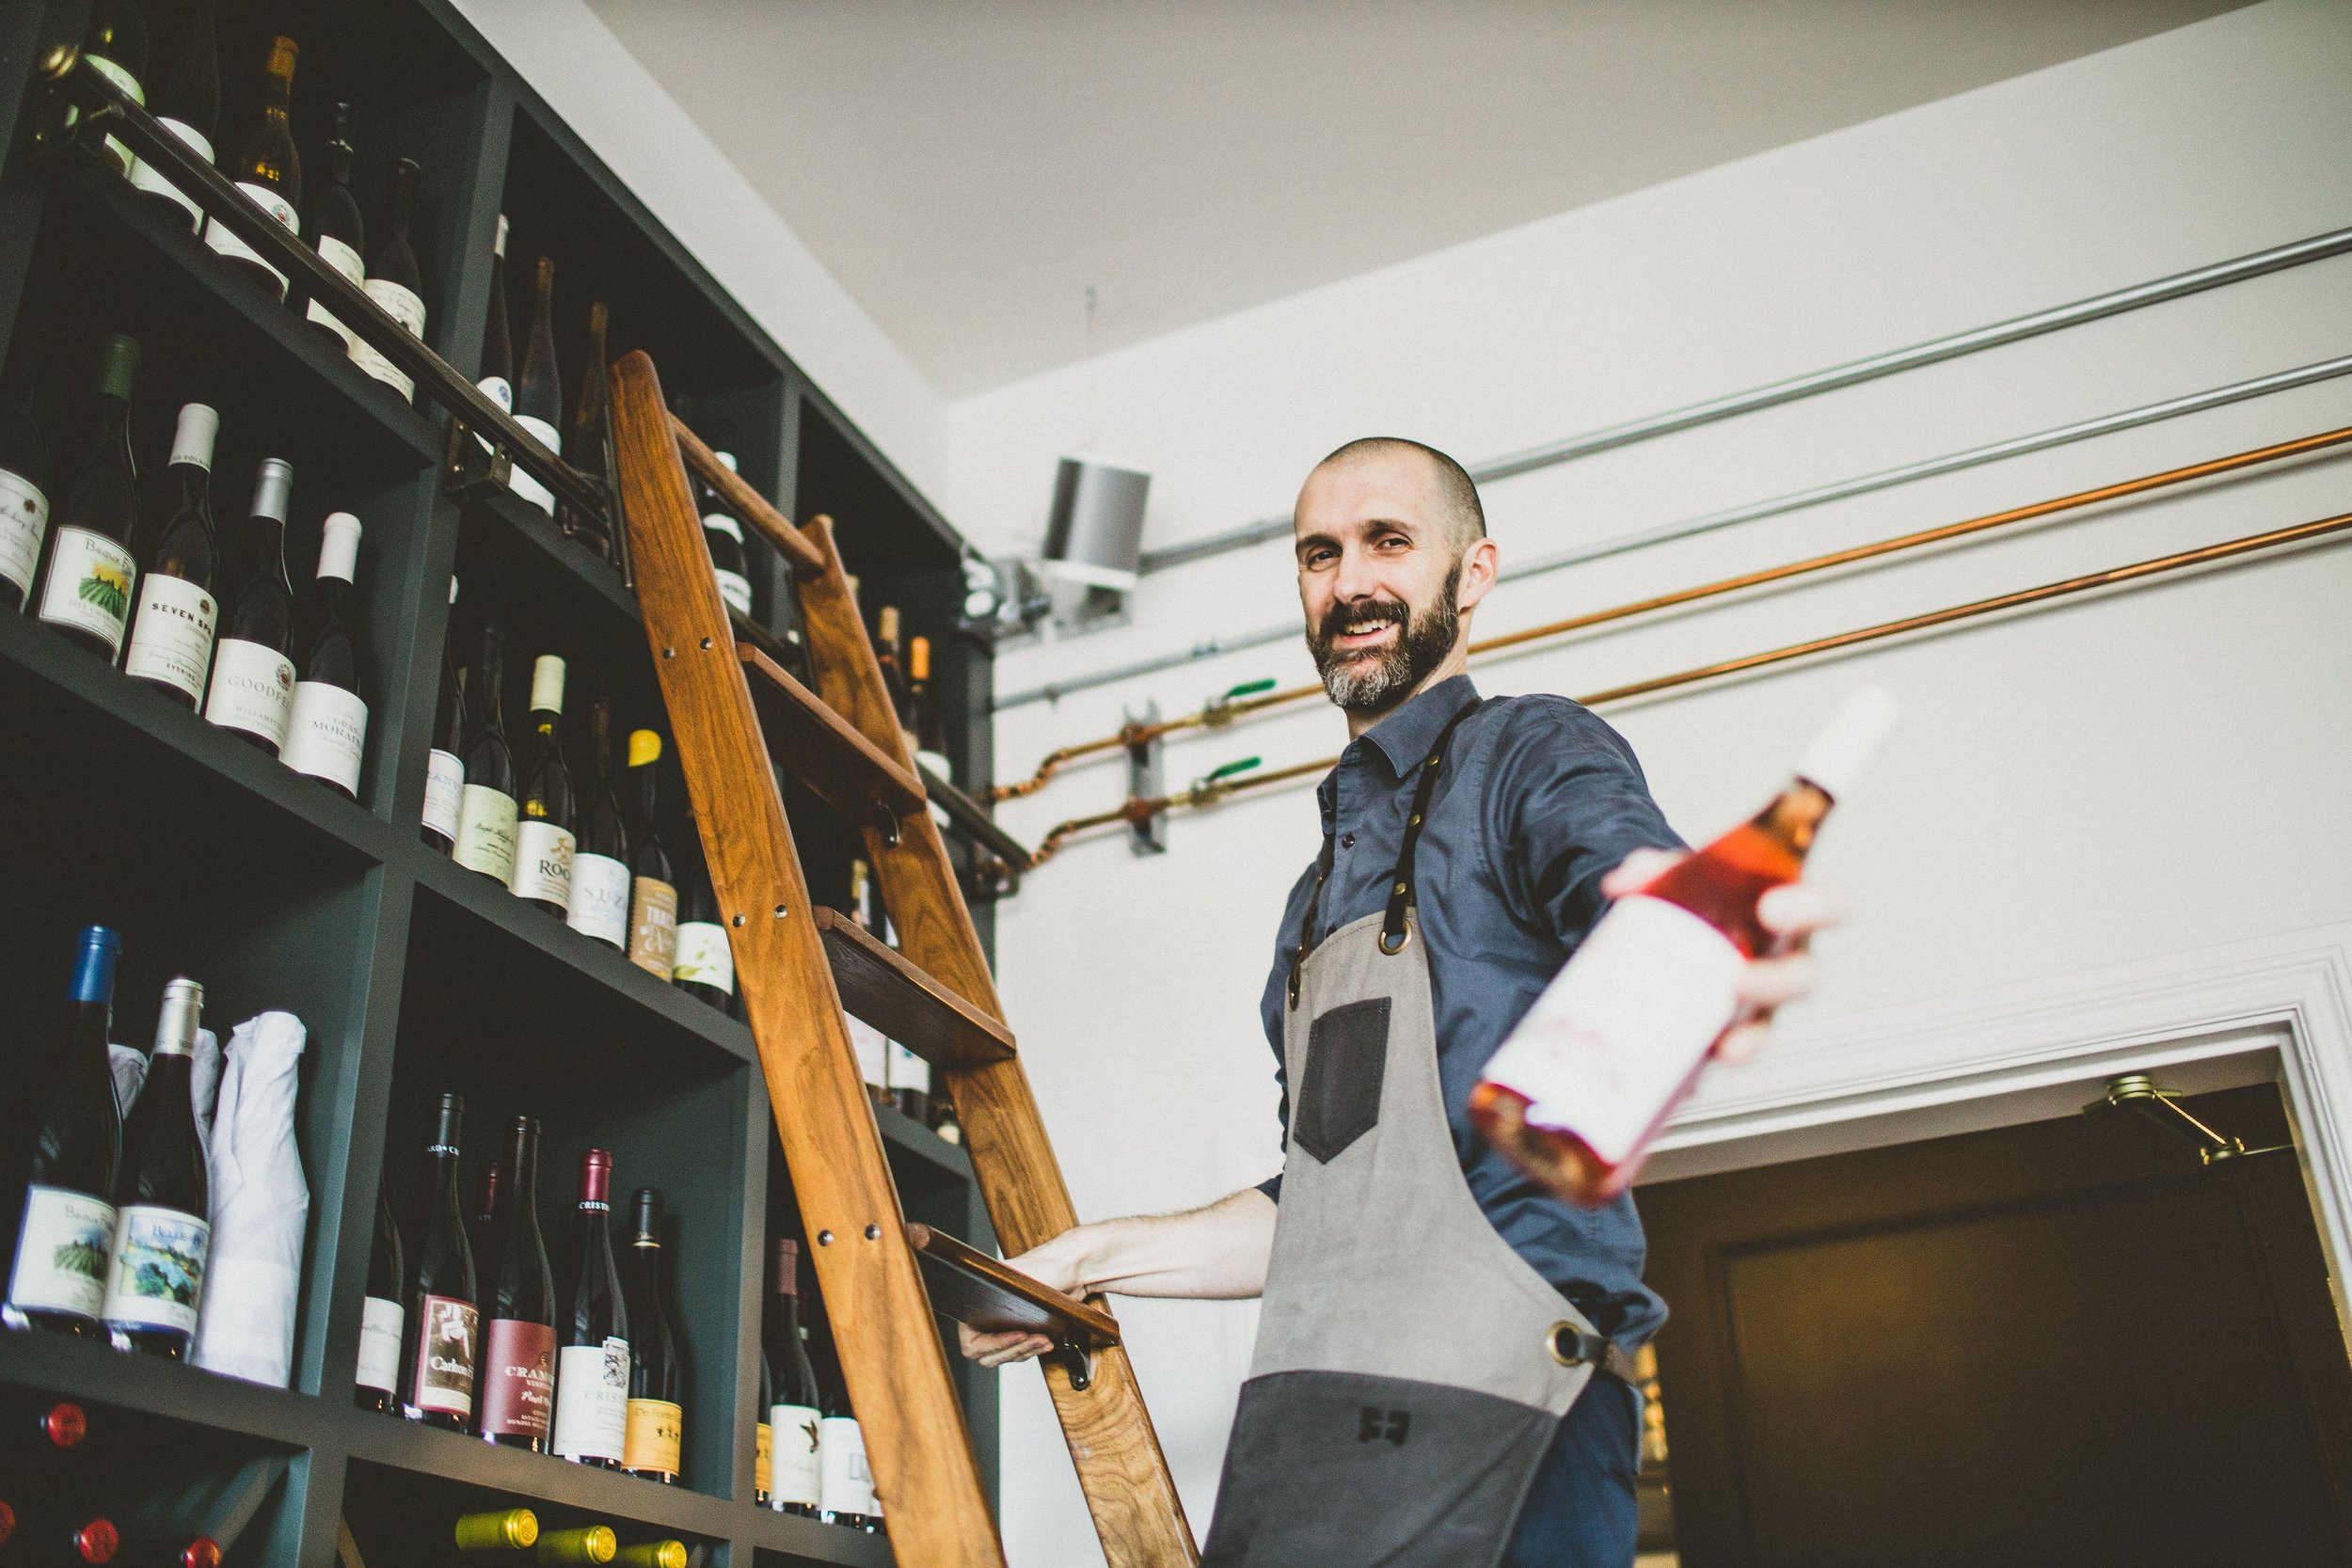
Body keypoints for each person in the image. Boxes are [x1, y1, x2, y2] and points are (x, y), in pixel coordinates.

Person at [962, 437, 1840, 1567]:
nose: (1350, 582)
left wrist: (1682, 935)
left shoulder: (1528, 750)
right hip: (1318, 1418)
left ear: (1470, 574)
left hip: (1509, 1403)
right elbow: (1325, 1204)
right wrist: (1084, 1257)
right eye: (1319, 554)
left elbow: (1631, 886)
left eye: (1388, 541)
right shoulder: (1310, 900)